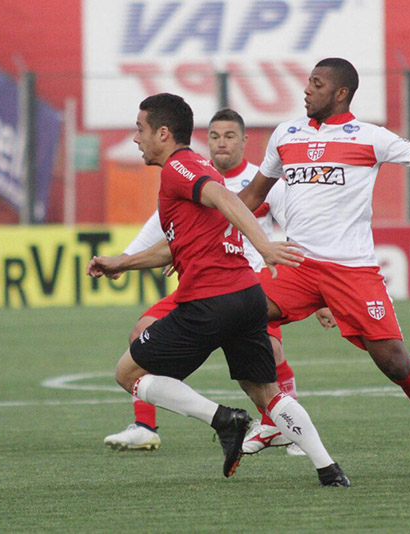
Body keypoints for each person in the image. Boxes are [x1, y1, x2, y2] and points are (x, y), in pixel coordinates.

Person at [239, 58, 410, 477]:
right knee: (238, 312)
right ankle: (275, 415)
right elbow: (253, 195)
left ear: (341, 93)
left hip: (351, 271)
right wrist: (197, 233)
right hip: (296, 263)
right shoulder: (285, 134)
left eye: (316, 84)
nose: (307, 90)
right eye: (308, 82)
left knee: (396, 363)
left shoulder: (369, 137)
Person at [87, 93, 349, 485]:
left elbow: (223, 196)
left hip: (210, 299)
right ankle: (329, 469)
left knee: (128, 372)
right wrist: (122, 262)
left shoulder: (181, 167)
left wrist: (264, 245)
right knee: (266, 392)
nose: (136, 138)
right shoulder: (194, 167)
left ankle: (223, 420)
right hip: (246, 297)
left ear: (163, 133)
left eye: (140, 130)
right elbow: (176, 243)